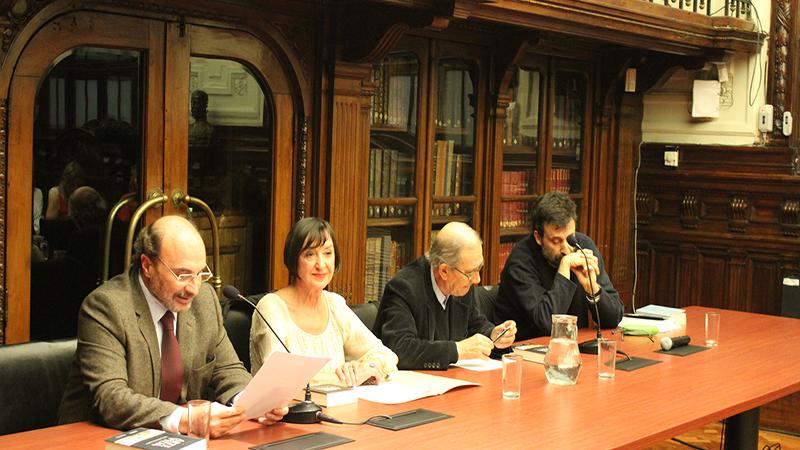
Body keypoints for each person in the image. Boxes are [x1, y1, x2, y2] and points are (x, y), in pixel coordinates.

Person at [58, 215, 287, 437]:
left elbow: (227, 369)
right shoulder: (107, 307)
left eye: (200, 274)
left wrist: (253, 402)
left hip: (175, 441)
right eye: (183, 274)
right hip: (97, 438)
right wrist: (184, 418)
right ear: (147, 265)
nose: (194, 288)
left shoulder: (204, 301)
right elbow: (112, 398)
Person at [250, 217, 397, 387]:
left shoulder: (334, 304)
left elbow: (385, 355)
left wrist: (366, 368)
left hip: (340, 409)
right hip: (286, 411)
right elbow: (281, 377)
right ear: (293, 259)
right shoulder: (271, 308)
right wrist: (345, 378)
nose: (321, 264)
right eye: (310, 254)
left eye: (328, 253)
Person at [373, 222, 516, 370]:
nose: (477, 279)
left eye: (479, 268)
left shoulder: (461, 282)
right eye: (470, 272)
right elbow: (400, 350)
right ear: (444, 271)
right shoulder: (404, 288)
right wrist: (457, 350)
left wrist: (493, 335)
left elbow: (474, 323)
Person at [494, 191, 624, 341]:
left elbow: (614, 318)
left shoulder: (583, 246)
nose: (566, 249)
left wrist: (592, 289)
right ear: (538, 237)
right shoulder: (520, 262)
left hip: (570, 347)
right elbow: (546, 324)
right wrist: (564, 270)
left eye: (570, 238)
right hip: (524, 351)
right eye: (556, 241)